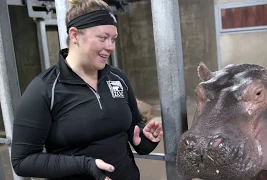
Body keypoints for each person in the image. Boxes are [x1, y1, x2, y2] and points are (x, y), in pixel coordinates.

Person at [10, 0, 163, 179]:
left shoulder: (117, 78)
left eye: (113, 39)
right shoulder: (44, 90)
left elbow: (132, 127)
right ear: (74, 35)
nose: (110, 46)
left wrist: (144, 140)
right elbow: (22, 161)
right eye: (103, 38)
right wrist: (85, 165)